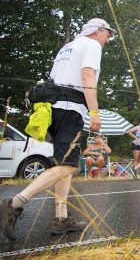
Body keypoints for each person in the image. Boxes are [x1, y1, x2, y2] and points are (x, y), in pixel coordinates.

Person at [1, 18, 114, 240]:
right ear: (98, 31)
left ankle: (61, 218)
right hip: (71, 108)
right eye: (108, 34)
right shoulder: (91, 45)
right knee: (69, 166)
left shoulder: (68, 46)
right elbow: (87, 76)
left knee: (64, 163)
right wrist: (94, 112)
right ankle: (14, 205)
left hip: (54, 109)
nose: (108, 40)